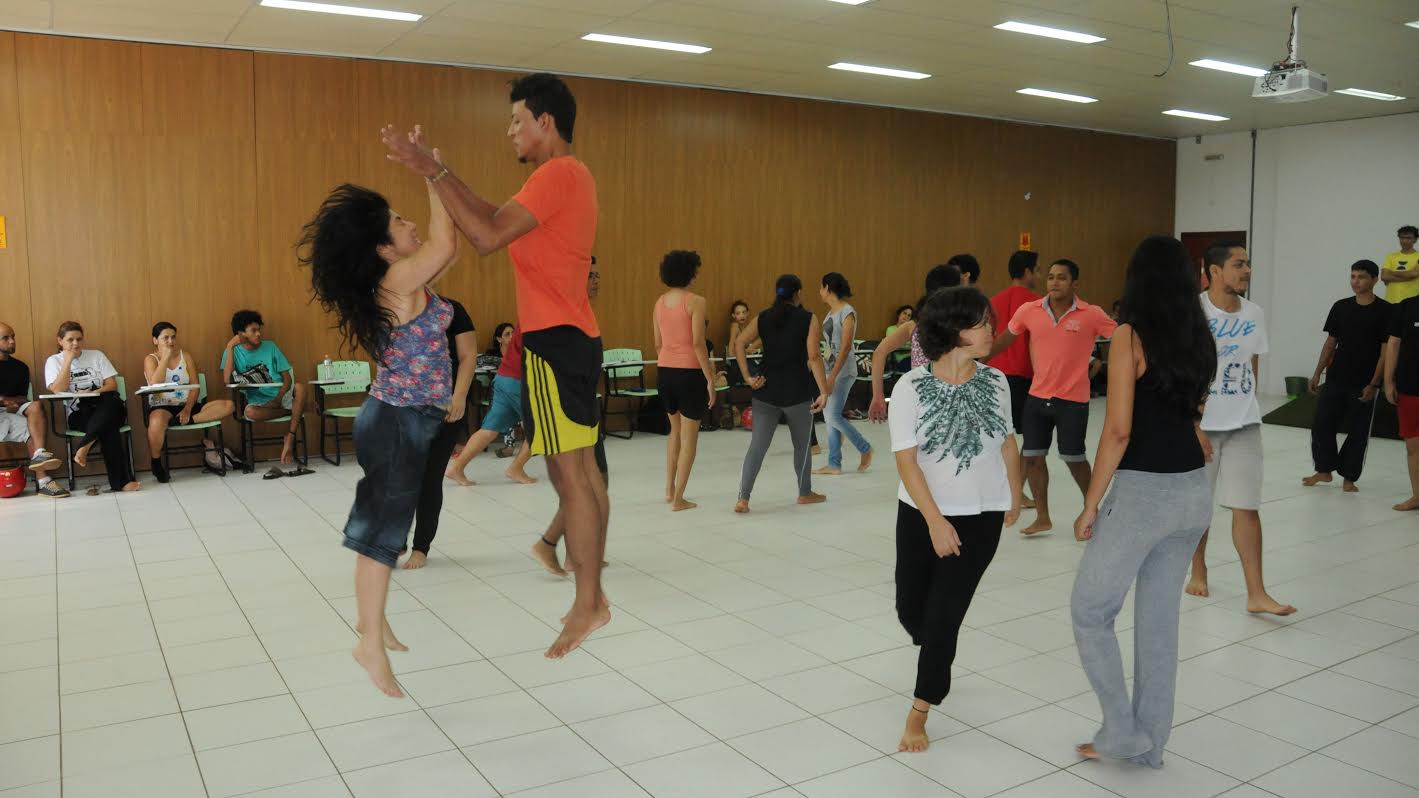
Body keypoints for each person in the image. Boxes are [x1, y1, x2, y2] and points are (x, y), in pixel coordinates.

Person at [382, 73, 608, 659]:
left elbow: (482, 236)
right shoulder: (559, 179)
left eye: (516, 120)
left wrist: (432, 173)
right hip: (571, 339)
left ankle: (589, 603)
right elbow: (486, 214)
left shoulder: (557, 174)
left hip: (556, 343)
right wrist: (438, 173)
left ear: (546, 122)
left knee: (571, 479)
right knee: (580, 476)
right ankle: (590, 597)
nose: (510, 130)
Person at [302, 171, 458, 697]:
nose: (409, 222)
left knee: (381, 531)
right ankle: (368, 642)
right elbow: (444, 242)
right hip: (397, 422)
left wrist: (444, 191)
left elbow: (448, 247)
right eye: (398, 220)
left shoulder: (407, 280)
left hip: (404, 420)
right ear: (382, 247)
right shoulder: (393, 283)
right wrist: (435, 176)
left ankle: (374, 620)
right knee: (381, 539)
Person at [1069, 236, 1216, 769]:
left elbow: (1118, 430)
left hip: (1143, 496)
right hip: (1193, 493)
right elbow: (1195, 412)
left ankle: (1121, 730)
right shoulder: (1200, 336)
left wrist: (1090, 503)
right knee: (1158, 626)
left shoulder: (1130, 334)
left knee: (1090, 611)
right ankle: (1148, 744)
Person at [890, 286, 1022, 754]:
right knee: (911, 609)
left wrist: (1015, 491)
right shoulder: (909, 387)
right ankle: (933, 650)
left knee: (945, 615)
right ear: (954, 331)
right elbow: (906, 460)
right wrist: (934, 522)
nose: (992, 330)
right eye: (983, 323)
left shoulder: (997, 381)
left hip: (980, 516)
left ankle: (920, 709)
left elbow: (1007, 441)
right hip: (921, 513)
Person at [1185, 242, 1295, 616]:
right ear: (1214, 271)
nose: (1247, 270)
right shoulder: (1193, 313)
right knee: (1200, 508)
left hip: (1244, 423)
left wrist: (1248, 403)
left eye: (1248, 263)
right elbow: (1181, 373)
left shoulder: (1255, 312)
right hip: (1203, 426)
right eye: (1239, 264)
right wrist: (1194, 424)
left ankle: (1257, 593)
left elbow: (1252, 364)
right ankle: (1198, 567)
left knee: (1247, 507)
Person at [988, 259, 1117, 535]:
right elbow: (1006, 338)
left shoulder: (1091, 314)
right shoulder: (1030, 310)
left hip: (1073, 401)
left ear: (1074, 284)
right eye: (1050, 277)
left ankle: (1093, 510)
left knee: (1074, 459)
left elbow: (1121, 337)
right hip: (1037, 397)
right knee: (1033, 458)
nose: (1054, 282)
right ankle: (1043, 517)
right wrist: (980, 360)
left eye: (1061, 278)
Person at [532, 266, 610, 576]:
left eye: (596, 273)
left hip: (583, 405)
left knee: (595, 483)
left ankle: (565, 549)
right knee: (585, 484)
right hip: (560, 405)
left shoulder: (582, 313)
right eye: (588, 273)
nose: (595, 279)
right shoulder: (551, 316)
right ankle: (562, 549)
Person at [733, 274, 829, 513]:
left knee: (757, 446)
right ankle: (804, 493)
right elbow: (814, 357)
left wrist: (747, 377)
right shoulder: (808, 319)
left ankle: (743, 498)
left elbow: (739, 343)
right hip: (797, 392)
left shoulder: (763, 317)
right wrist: (824, 390)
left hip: (765, 390)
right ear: (798, 293)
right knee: (802, 446)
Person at [1302, 260, 1391, 492]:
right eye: (1352, 276)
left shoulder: (1386, 311)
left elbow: (1385, 351)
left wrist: (1374, 383)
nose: (1355, 281)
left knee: (1359, 431)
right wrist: (1317, 372)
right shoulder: (1341, 307)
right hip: (1336, 377)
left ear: (1375, 279)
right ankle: (1323, 471)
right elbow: (1331, 342)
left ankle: (1349, 477)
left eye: (1361, 277)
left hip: (1365, 381)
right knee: (1321, 424)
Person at [405, 296, 476, 570]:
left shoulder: (452, 310)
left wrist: (458, 397)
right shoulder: (394, 307)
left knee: (428, 477)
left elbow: (468, 355)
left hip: (444, 406)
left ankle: (421, 546)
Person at [44, 322, 141, 493]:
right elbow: (57, 389)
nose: (75, 343)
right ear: (60, 341)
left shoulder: (96, 355)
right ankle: (121, 483)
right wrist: (67, 361)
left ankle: (85, 445)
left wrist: (95, 392)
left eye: (79, 339)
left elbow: (112, 385)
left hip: (106, 404)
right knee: (108, 426)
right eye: (70, 340)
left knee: (110, 399)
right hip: (79, 413)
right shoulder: (54, 361)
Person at [654, 250, 715, 511]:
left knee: (674, 433)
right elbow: (698, 343)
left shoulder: (659, 302)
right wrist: (709, 378)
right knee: (690, 438)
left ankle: (669, 489)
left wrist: (670, 361)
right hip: (690, 373)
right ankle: (679, 499)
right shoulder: (696, 302)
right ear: (689, 272)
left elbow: (658, 344)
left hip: (665, 371)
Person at [868, 263, 963, 422]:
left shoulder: (914, 326)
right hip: (943, 397)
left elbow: (879, 353)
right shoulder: (959, 326)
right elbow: (879, 353)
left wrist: (878, 395)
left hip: (923, 397)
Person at [142, 322, 236, 482]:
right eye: (165, 338)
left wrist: (187, 409)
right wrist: (164, 358)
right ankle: (156, 462)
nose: (170, 341)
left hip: (188, 404)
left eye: (173, 337)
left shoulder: (186, 356)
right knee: (156, 421)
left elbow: (195, 386)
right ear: (155, 340)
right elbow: (155, 384)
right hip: (162, 406)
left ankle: (184, 420)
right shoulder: (150, 359)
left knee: (229, 405)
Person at [446, 324, 535, 486]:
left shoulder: (527, 317)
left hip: (503, 378)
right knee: (540, 430)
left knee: (489, 429)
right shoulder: (543, 320)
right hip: (519, 382)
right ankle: (516, 468)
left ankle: (457, 468)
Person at [222, 310, 309, 466]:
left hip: (282, 395)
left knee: (300, 387)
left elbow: (287, 379)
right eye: (253, 331)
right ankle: (297, 410)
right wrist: (229, 347)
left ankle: (290, 438)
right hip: (260, 402)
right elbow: (227, 380)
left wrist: (277, 399)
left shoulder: (271, 347)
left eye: (259, 329)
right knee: (249, 412)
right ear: (241, 334)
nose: (259, 334)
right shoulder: (232, 352)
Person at [815, 272, 873, 475]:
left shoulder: (847, 312)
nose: (819, 292)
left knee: (832, 415)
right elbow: (829, 346)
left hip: (844, 370)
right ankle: (834, 464)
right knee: (828, 414)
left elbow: (846, 346)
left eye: (821, 287)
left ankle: (865, 448)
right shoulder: (830, 313)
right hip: (831, 369)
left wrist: (832, 376)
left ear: (828, 288)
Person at [0, 322, 67, 497]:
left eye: (13, 336)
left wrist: (10, 403)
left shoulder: (20, 367)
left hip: (10, 413)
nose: (12, 341)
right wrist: (3, 400)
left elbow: (22, 398)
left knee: (35, 410)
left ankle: (42, 477)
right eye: (6, 338)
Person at [987, 250, 1041, 450]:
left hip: (994, 375)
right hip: (1025, 377)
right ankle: (1022, 474)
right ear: (1027, 272)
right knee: (1033, 438)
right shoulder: (1038, 303)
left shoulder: (993, 301)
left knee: (997, 434)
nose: (1039, 276)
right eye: (1037, 270)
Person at [1383, 294, 1419, 512]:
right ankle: (1417, 496)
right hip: (1410, 387)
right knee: (1413, 445)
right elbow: (1394, 343)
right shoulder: (1407, 306)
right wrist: (1388, 381)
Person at [1381, 225, 1419, 304]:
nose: (1404, 241)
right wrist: (1409, 276)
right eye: (1402, 238)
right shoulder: (1390, 256)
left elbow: (1414, 274)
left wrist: (1391, 273)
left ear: (1415, 239)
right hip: (1391, 301)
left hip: (1413, 302)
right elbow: (1384, 276)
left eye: (1408, 238)